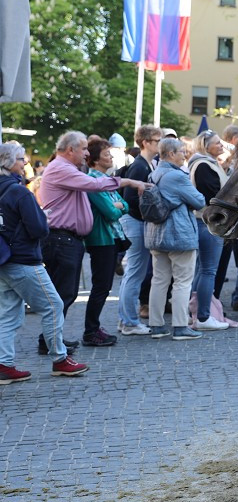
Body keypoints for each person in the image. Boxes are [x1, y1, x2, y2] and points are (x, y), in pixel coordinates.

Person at [37, 131, 147, 354]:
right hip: (62, 238)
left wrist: (121, 202)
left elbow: (119, 204)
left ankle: (51, 339)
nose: (86, 153)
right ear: (71, 150)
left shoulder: (68, 169)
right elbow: (102, 195)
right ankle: (50, 340)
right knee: (64, 293)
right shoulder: (62, 168)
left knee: (66, 293)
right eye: (84, 149)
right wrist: (129, 181)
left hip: (69, 239)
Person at [0, 143, 88, 383]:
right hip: (24, 259)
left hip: (4, 260)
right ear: (8, 163)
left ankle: (4, 364)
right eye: (21, 159)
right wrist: (42, 216)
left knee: (8, 314)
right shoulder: (19, 192)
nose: (25, 163)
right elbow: (38, 228)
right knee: (53, 305)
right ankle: (60, 359)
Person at [144, 137, 205, 340]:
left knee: (159, 280)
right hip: (179, 235)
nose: (184, 155)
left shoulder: (153, 175)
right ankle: (180, 326)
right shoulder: (176, 177)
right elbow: (199, 200)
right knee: (182, 282)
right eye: (181, 151)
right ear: (170, 154)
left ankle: (156, 325)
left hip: (156, 234)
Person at [82, 137, 129, 347]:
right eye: (107, 154)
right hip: (101, 239)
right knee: (101, 287)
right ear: (94, 159)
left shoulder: (106, 180)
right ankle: (90, 331)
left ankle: (93, 327)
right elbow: (111, 212)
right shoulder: (93, 182)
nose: (110, 157)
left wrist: (119, 205)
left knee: (104, 286)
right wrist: (117, 205)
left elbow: (125, 205)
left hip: (110, 238)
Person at [117, 125, 161, 335]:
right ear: (145, 142)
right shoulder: (140, 166)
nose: (160, 143)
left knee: (135, 273)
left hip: (137, 222)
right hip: (135, 223)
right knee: (135, 273)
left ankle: (126, 320)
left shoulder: (147, 164)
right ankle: (129, 322)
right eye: (156, 140)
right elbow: (130, 199)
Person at [188, 131, 230, 331]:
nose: (221, 145)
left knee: (202, 270)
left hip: (206, 221)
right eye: (217, 143)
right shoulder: (203, 165)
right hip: (208, 222)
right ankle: (203, 316)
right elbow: (213, 195)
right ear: (206, 146)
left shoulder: (207, 163)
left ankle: (198, 313)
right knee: (207, 270)